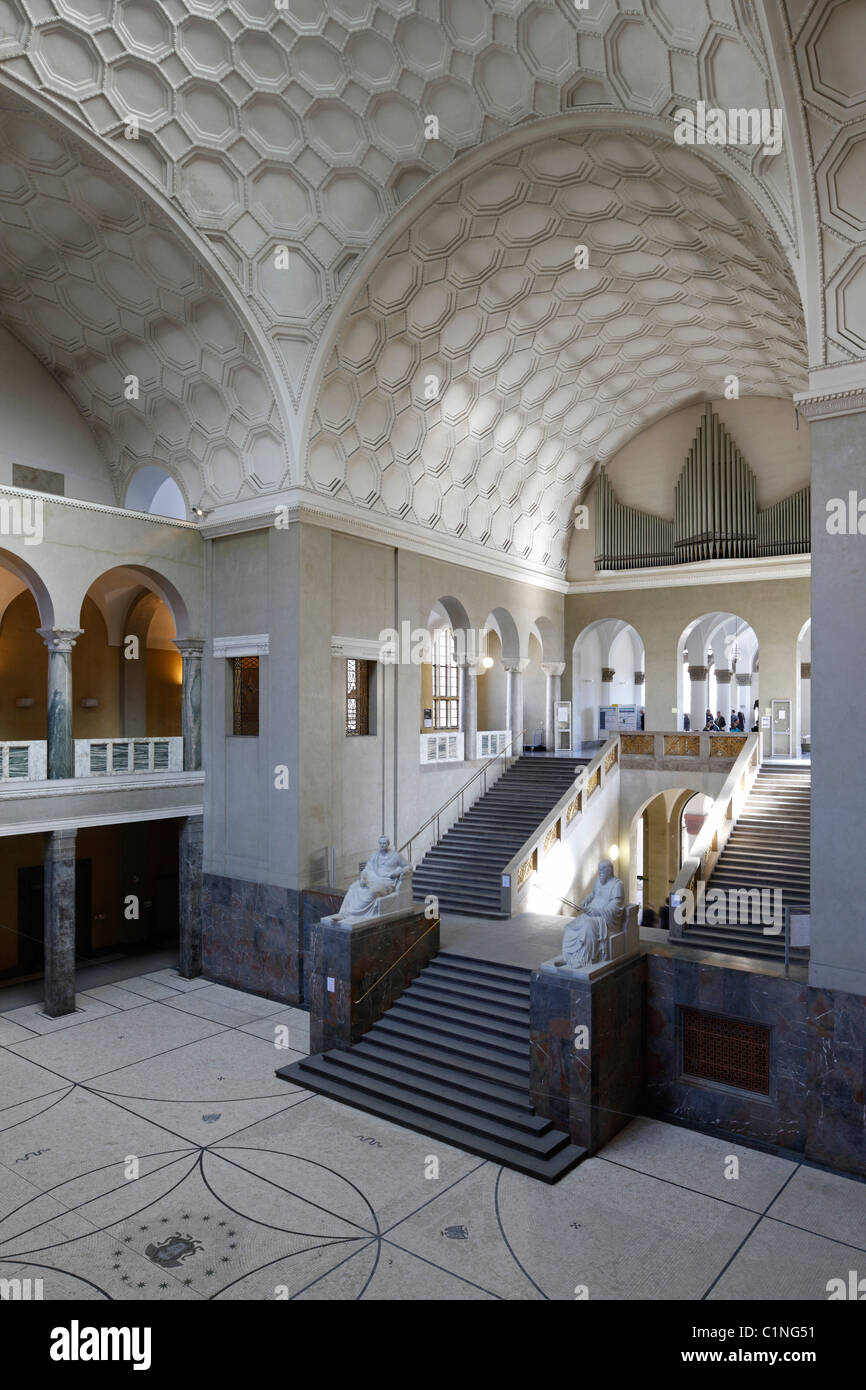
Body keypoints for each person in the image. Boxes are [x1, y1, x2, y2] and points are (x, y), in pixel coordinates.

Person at [555, 859, 625, 969]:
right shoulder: (598, 881)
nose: (600, 872)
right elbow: (593, 894)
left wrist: (598, 912)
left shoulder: (617, 885)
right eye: (599, 869)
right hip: (592, 914)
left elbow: (616, 908)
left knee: (588, 925)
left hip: (605, 919)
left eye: (602, 870)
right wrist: (586, 901)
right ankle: (568, 957)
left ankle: (582, 959)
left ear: (609, 870)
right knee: (570, 927)